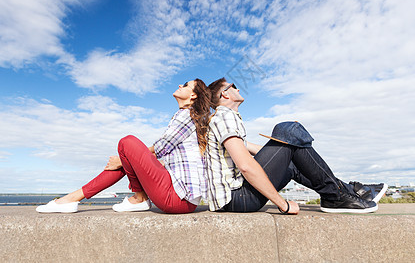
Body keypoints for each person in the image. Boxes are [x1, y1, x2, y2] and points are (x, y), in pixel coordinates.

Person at [205, 78, 387, 214]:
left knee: (291, 152)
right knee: (289, 130)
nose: (238, 88)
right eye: (234, 86)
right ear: (225, 94)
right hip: (238, 198)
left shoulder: (224, 119)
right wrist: (282, 204)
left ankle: (343, 192)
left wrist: (286, 152)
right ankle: (339, 195)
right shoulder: (225, 116)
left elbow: (256, 152)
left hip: (234, 199)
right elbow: (246, 166)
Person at [36, 79, 211, 214]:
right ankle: (74, 198)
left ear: (193, 95)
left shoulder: (187, 115)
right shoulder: (188, 116)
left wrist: (123, 159)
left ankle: (138, 198)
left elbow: (161, 147)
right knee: (127, 154)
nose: (180, 85)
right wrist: (127, 161)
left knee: (127, 142)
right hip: (182, 199)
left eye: (186, 85)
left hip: (177, 199)